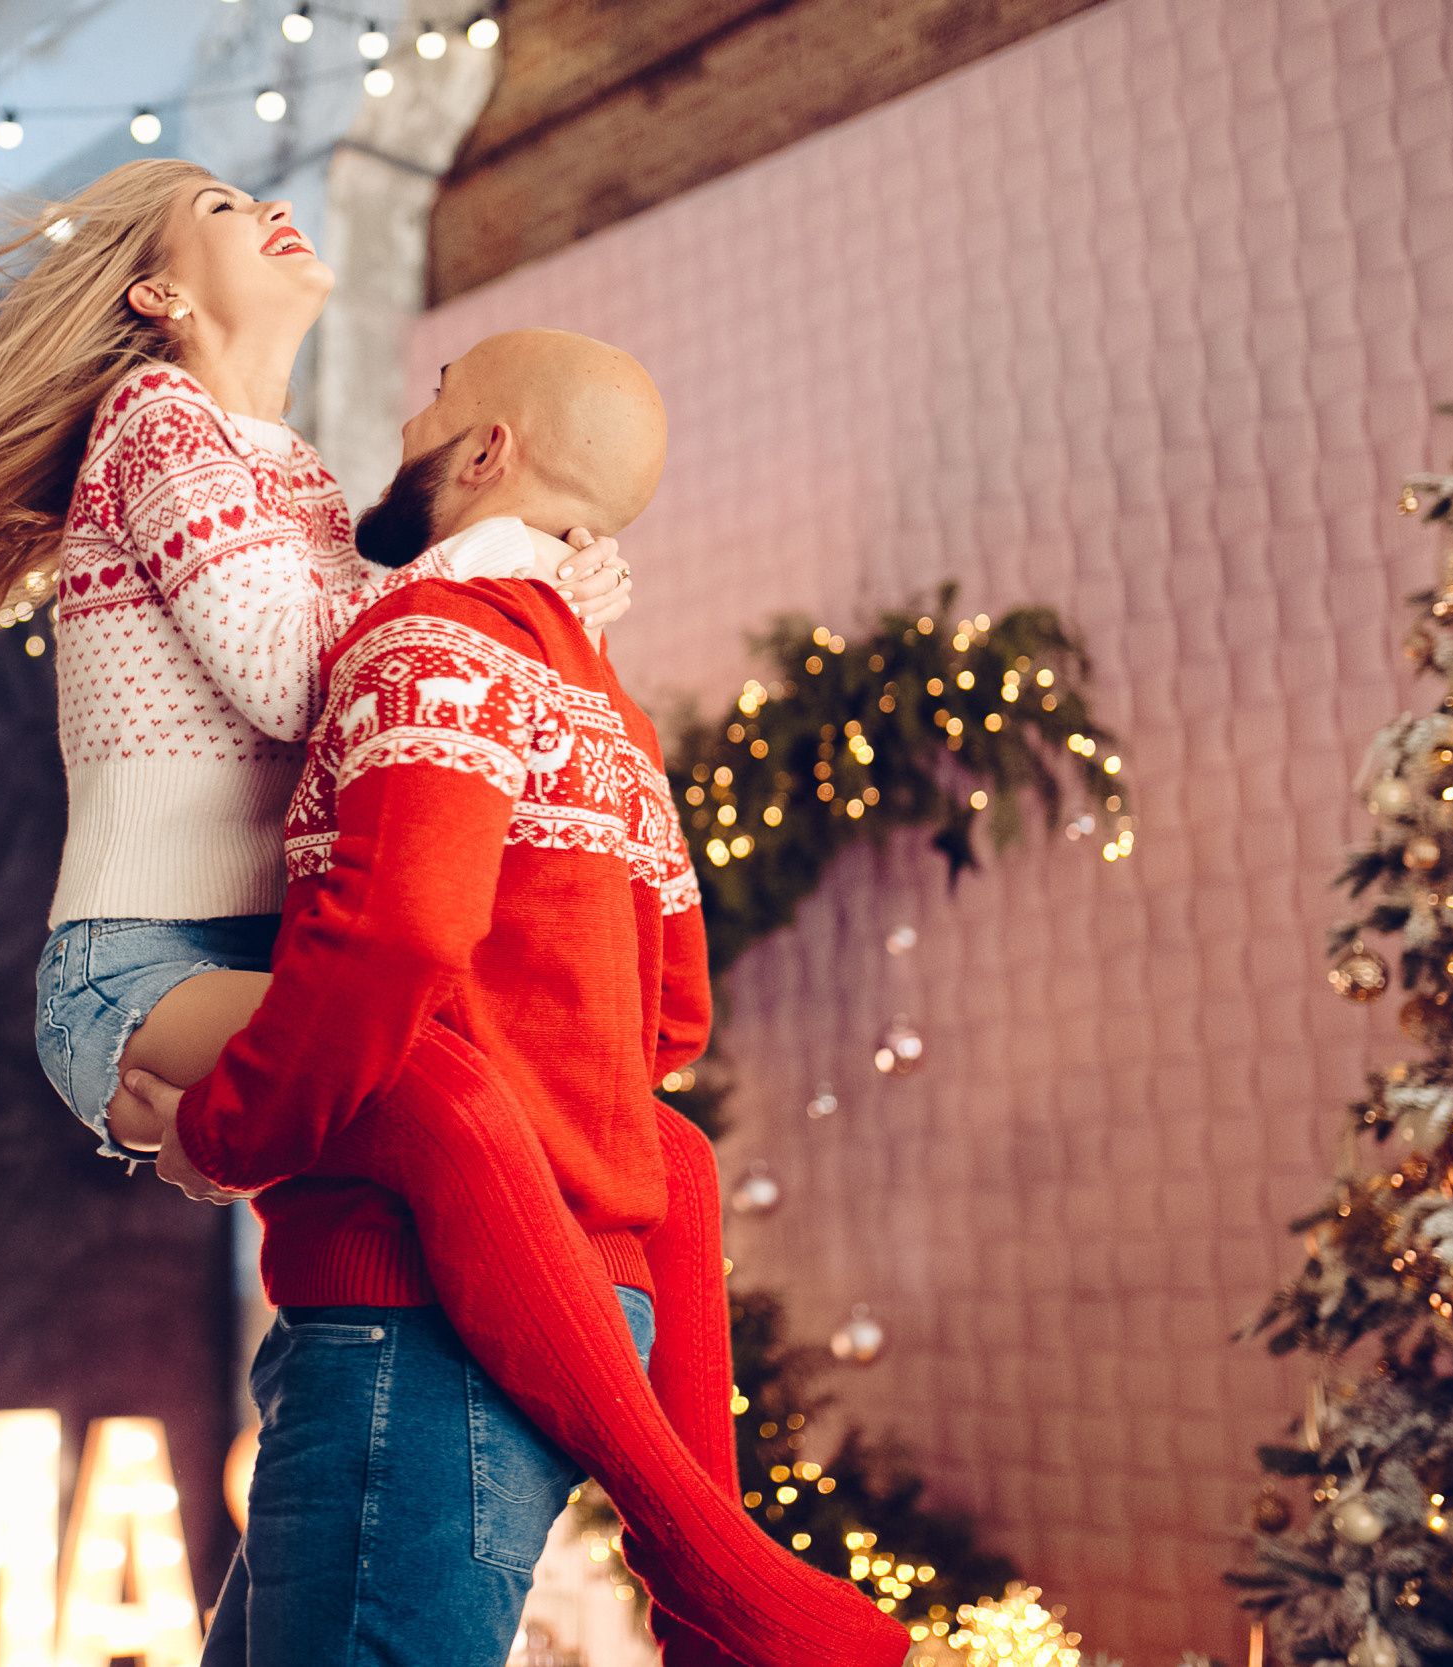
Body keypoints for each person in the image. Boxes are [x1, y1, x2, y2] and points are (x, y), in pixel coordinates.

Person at [0, 159, 901, 1665]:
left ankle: (705, 1577)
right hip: (139, 971)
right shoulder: (158, 423)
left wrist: (518, 595)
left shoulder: (314, 485)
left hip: (265, 977)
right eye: (217, 208)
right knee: (439, 1081)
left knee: (642, 1143)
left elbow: (410, 701)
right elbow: (299, 672)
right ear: (159, 294)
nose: (266, 205)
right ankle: (699, 1551)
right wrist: (513, 582)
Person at [118, 329, 912, 1667]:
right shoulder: (611, 713)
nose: (413, 423)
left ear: (491, 450)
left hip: (412, 1320)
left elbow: (398, 934)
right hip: (572, 1306)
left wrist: (224, 1132)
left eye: (437, 400)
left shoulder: (430, 640)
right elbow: (666, 1024)